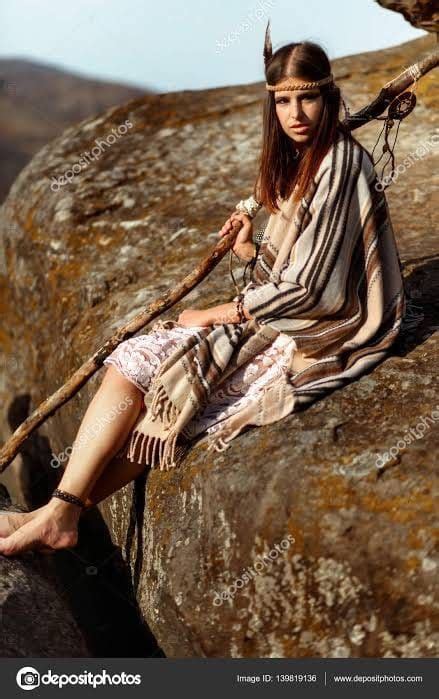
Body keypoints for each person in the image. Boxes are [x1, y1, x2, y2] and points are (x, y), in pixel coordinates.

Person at [0, 26, 405, 556]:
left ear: (328, 96)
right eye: (283, 100)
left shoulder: (342, 166)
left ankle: (60, 513)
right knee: (136, 362)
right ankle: (58, 512)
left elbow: (313, 289)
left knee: (171, 387)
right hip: (284, 315)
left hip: (323, 332)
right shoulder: (305, 164)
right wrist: (247, 252)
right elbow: (295, 263)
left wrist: (219, 312)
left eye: (307, 97)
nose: (295, 114)